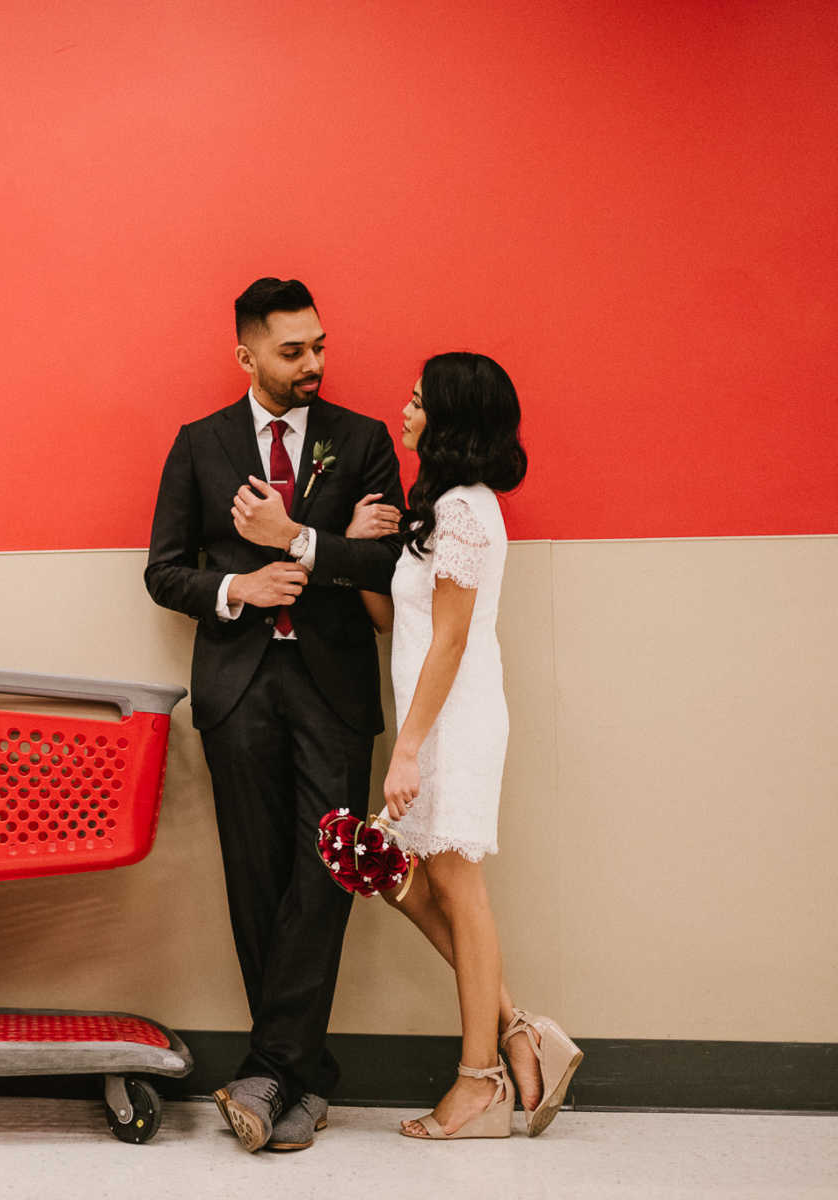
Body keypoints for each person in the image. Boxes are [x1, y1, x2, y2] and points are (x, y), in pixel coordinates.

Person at [144, 278, 404, 1152]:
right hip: (239, 686)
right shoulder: (199, 445)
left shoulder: (363, 441)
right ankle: (301, 1078)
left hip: (334, 689)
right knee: (256, 877)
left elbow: (383, 565)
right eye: (293, 352)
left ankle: (270, 1070)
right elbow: (164, 569)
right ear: (246, 354)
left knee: (328, 871)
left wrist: (300, 540)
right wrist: (238, 587)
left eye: (319, 346)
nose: (314, 366)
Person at [358, 351, 583, 1139]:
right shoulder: (449, 506)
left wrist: (409, 748)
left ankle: (479, 1080)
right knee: (410, 881)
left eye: (417, 401)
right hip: (437, 715)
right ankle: (521, 1033)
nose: (405, 409)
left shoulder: (462, 511)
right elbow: (402, 623)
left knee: (457, 888)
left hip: (453, 721)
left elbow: (449, 642)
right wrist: (361, 554)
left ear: (449, 421)